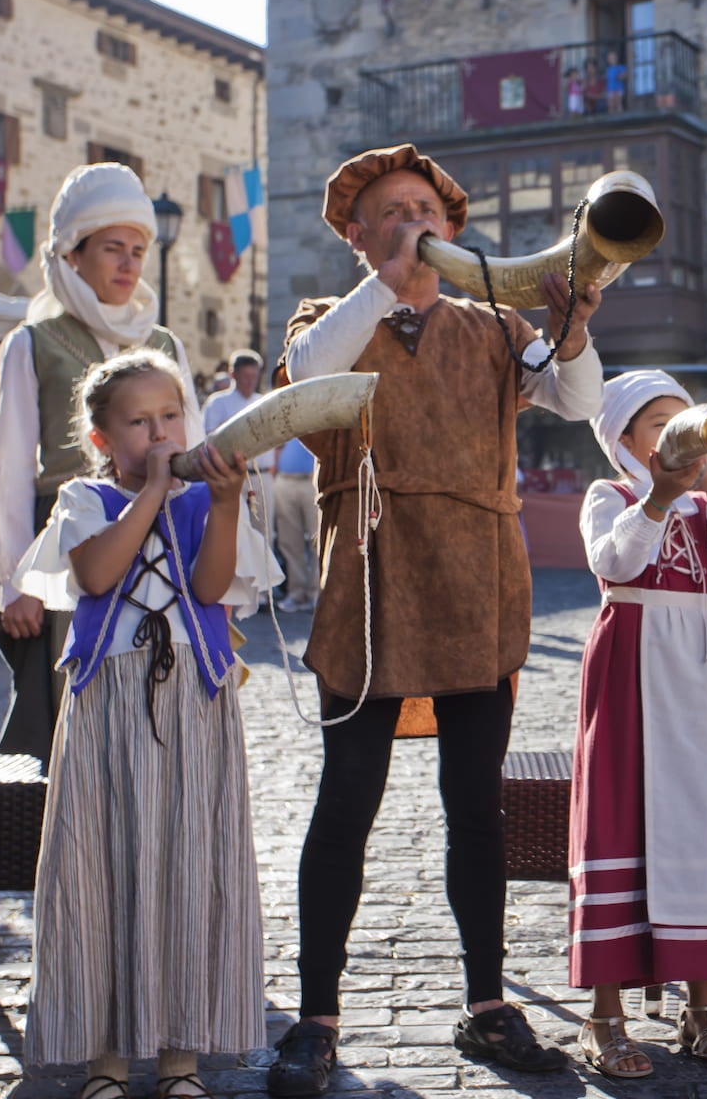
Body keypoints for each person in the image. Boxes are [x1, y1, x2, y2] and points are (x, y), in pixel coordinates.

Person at [267, 143, 602, 1093]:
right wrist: (389, 283)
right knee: (345, 807)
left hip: (473, 582)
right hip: (368, 586)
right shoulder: (327, 320)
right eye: (392, 212)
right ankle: (317, 1016)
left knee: (476, 811)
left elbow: (577, 404)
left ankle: (488, 1005)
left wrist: (569, 328)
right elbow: (304, 377)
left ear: (453, 231)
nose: (413, 221)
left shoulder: (495, 329)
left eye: (427, 210)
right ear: (358, 236)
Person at [12, 350, 275, 1099]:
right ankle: (106, 1059)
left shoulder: (204, 501)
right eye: (138, 422)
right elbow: (97, 576)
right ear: (101, 439)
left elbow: (214, 587)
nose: (158, 434)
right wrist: (153, 492)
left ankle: (181, 1058)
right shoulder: (83, 499)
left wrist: (220, 505)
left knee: (189, 867)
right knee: (105, 868)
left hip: (194, 699)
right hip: (108, 703)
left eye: (170, 417)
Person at [570, 371, 707, 1079]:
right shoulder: (611, 496)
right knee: (624, 819)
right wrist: (657, 494)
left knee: (706, 823)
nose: (678, 433)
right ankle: (606, 1014)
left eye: (684, 421)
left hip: (703, 671)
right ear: (625, 441)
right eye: (659, 424)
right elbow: (614, 560)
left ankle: (703, 1003)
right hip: (633, 665)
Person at [0, 163, 202, 769]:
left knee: (158, 702)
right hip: (72, 545)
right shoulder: (34, 340)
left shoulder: (164, 345)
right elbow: (8, 470)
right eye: (112, 248)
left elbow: (194, 453)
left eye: (137, 250)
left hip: (162, 539)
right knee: (65, 716)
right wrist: (16, 583)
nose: (129, 264)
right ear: (73, 255)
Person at [203, 350, 277, 473]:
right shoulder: (217, 403)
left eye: (254, 376)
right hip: (231, 473)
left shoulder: (265, 402)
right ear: (233, 375)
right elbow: (209, 439)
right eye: (246, 376)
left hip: (263, 474)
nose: (250, 381)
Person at [271, 436, 319, 613]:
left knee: (318, 540)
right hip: (285, 480)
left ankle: (316, 593)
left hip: (311, 481)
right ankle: (296, 593)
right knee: (289, 542)